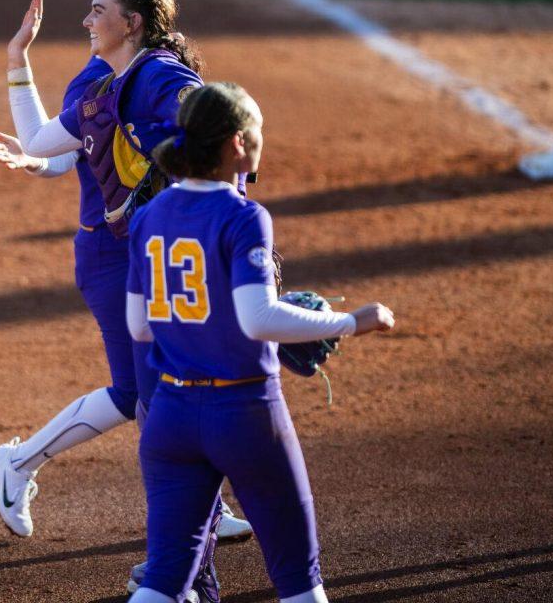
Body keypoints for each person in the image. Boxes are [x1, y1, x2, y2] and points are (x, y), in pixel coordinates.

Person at [0, 0, 251, 589]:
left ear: (132, 22)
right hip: (114, 253)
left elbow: (203, 126)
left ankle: (191, 530)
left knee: (165, 388)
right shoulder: (99, 77)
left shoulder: (154, 76)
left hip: (148, 252)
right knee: (153, 392)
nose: (86, 19)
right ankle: (23, 464)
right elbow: (55, 144)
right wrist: (17, 62)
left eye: (99, 10)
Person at [125, 82, 395, 602]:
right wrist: (349, 322)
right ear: (236, 145)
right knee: (298, 577)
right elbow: (259, 318)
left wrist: (206, 326)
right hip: (245, 413)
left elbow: (140, 325)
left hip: (171, 416)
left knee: (163, 580)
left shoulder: (148, 217)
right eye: (259, 133)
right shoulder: (245, 215)